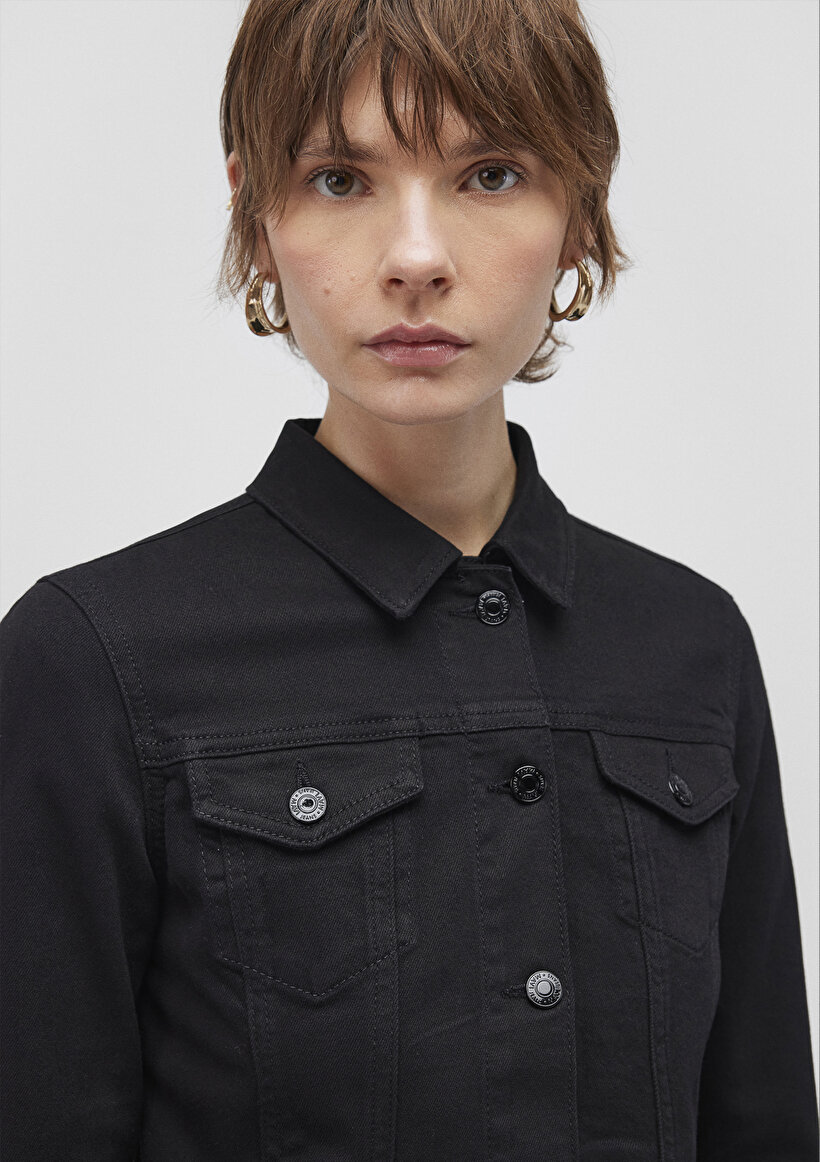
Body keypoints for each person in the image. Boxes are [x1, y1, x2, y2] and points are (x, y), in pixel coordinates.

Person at [1, 0, 817, 1157]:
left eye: (491, 174)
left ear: (578, 213)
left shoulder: (693, 645)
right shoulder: (92, 657)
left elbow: (764, 1116)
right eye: (340, 180)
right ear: (255, 212)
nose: (417, 258)